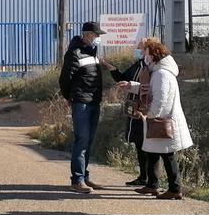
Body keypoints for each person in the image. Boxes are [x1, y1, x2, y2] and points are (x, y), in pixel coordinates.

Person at [119, 38, 192, 200]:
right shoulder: (158, 71)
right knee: (152, 151)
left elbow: (160, 99)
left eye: (146, 53)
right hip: (159, 119)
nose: (144, 56)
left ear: (153, 55)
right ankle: (152, 185)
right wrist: (131, 85)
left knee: (167, 155)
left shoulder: (161, 74)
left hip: (162, 121)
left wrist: (149, 115)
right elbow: (149, 89)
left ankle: (175, 188)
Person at [59, 21, 115, 194]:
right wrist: (69, 97)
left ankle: (85, 176)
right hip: (81, 102)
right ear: (87, 34)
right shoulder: (74, 53)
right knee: (81, 139)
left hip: (93, 101)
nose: (97, 38)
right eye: (96, 35)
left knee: (88, 140)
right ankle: (77, 180)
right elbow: (65, 79)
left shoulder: (93, 53)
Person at [111, 50, 150, 187]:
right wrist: (113, 69)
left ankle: (151, 180)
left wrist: (132, 87)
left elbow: (150, 88)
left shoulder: (153, 68)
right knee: (139, 143)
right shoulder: (138, 64)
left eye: (142, 48)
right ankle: (143, 177)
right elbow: (123, 78)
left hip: (145, 109)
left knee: (148, 145)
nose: (139, 51)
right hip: (135, 109)